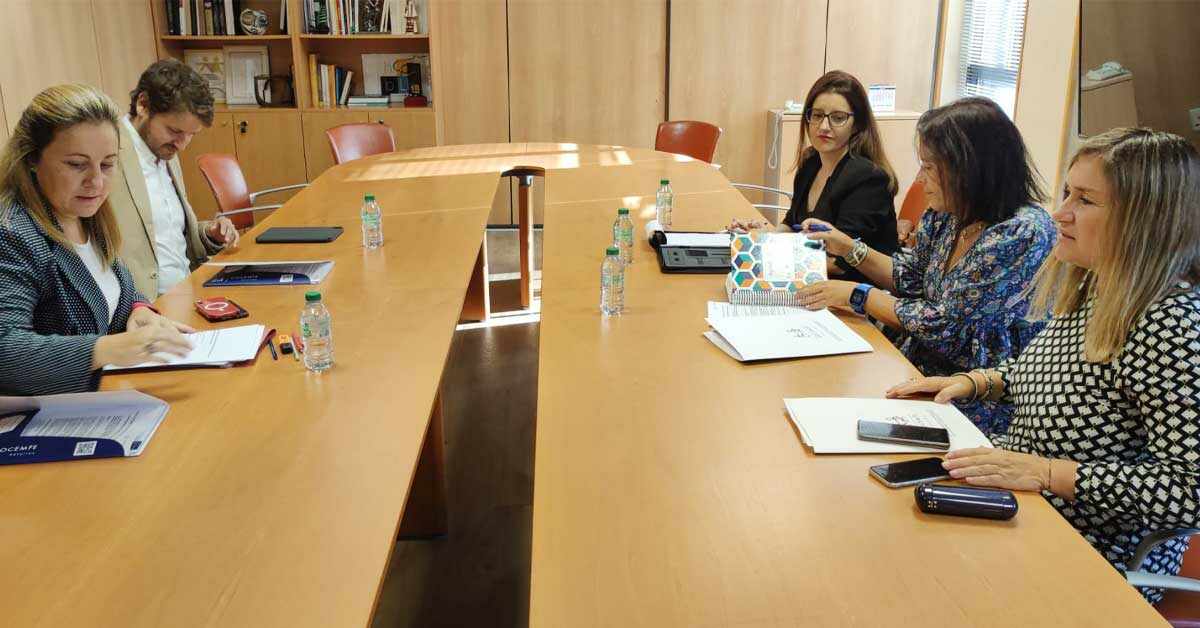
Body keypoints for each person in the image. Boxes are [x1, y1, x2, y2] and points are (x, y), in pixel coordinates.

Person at [887, 128, 1200, 603]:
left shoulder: (1170, 324)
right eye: (1068, 193)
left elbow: (1189, 491)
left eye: (1086, 201)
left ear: (1146, 220)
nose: (1061, 213)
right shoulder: (1097, 287)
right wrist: (975, 382)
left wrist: (1047, 472)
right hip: (1021, 504)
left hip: (1087, 551)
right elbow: (1046, 372)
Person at [797, 97, 1055, 434]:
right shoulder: (949, 213)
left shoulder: (1021, 233)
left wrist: (856, 295)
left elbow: (943, 325)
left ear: (970, 169)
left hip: (973, 397)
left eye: (929, 167)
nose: (919, 179)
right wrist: (848, 247)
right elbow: (910, 277)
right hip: (916, 368)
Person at [0, 84, 194, 396]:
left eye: (107, 164)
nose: (96, 181)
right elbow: (6, 351)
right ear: (32, 159)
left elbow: (118, 290)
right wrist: (107, 348)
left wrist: (139, 310)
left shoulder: (88, 215)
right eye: (77, 165)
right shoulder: (12, 233)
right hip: (50, 413)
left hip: (108, 396)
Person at [728, 70, 899, 283]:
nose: (824, 126)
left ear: (857, 124)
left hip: (853, 292)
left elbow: (838, 262)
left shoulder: (868, 179)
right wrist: (760, 238)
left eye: (838, 118)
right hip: (811, 281)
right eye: (817, 115)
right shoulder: (811, 161)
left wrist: (763, 252)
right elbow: (792, 223)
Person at [110, 59, 240, 298]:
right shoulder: (108, 155)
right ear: (143, 105)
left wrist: (209, 233)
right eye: (175, 131)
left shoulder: (166, 151)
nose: (182, 145)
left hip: (187, 290)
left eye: (191, 135)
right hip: (145, 306)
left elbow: (168, 235)